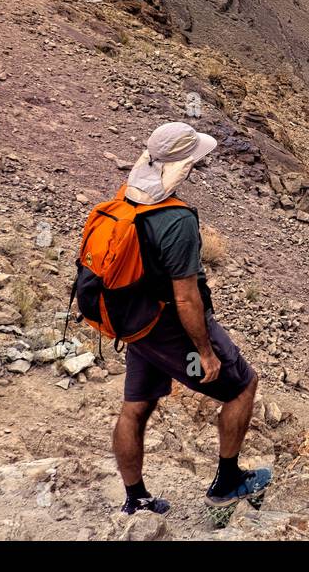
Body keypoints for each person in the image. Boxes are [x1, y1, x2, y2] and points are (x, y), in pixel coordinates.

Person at [110, 122, 270, 515]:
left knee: (136, 407)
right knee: (242, 386)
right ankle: (227, 483)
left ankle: (136, 499)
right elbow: (186, 298)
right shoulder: (176, 220)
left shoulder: (127, 200)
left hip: (136, 325)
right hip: (169, 327)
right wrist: (205, 352)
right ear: (184, 163)